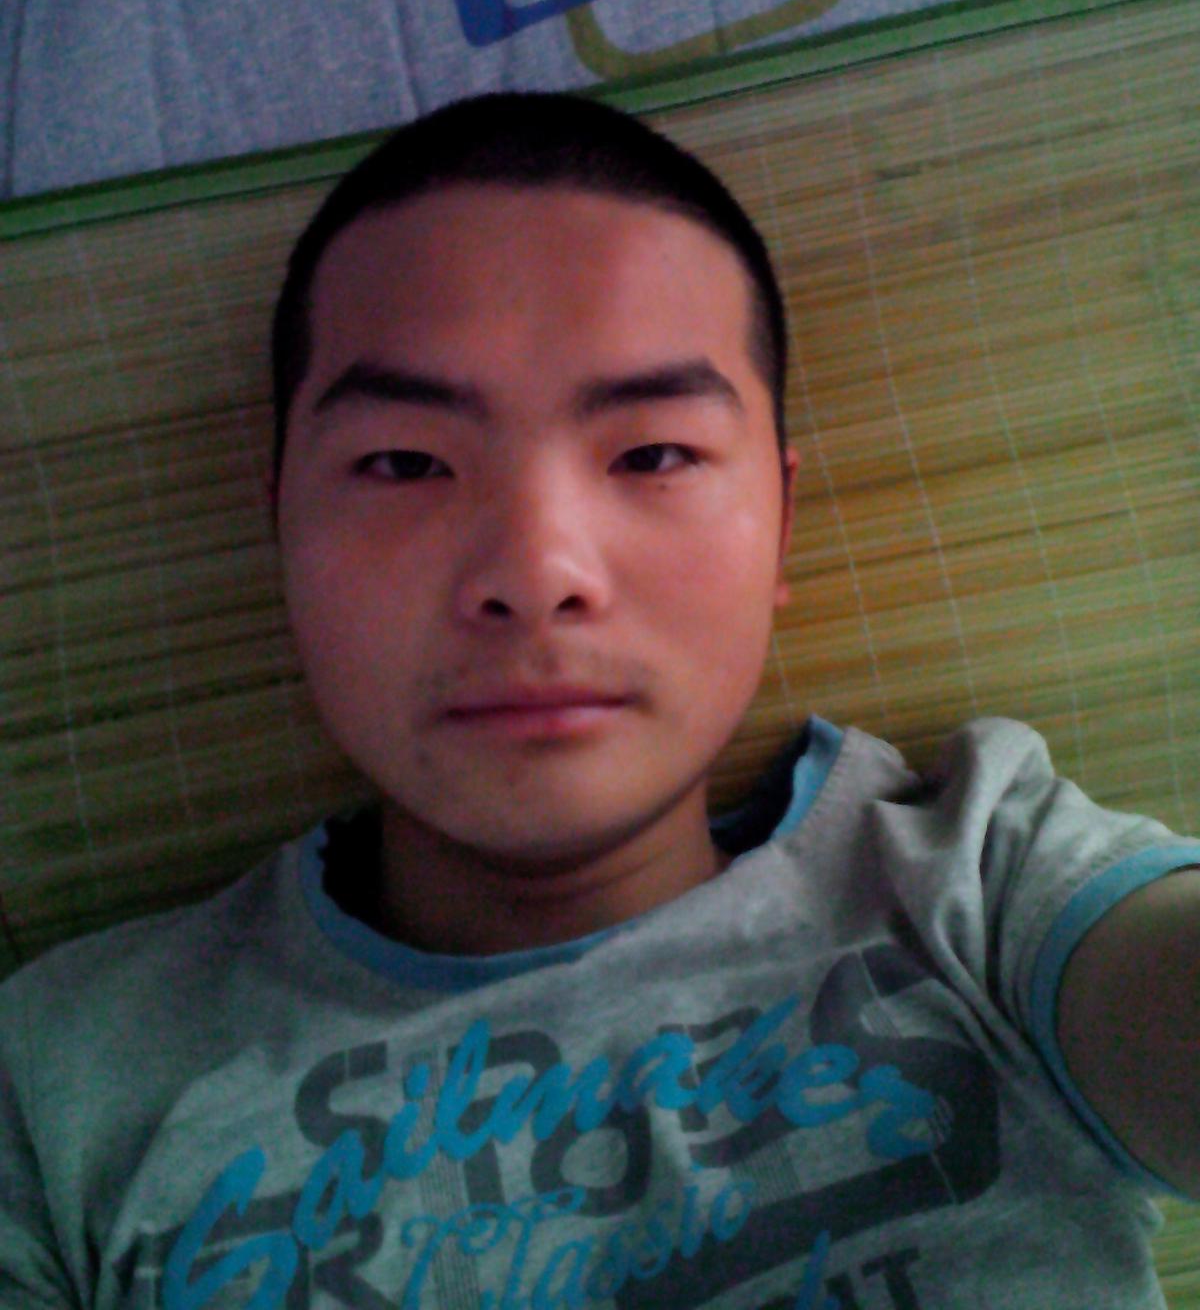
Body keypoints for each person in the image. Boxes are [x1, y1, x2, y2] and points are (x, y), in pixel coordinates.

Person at [1, 91, 1198, 1310]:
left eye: (653, 454)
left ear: (780, 520)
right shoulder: (58, 1084)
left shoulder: (987, 897)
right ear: (281, 523)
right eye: (403, 462)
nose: (536, 573)